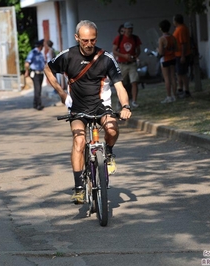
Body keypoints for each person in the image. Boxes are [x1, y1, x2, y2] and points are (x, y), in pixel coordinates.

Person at [44, 20, 132, 203]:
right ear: (77, 38)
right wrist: (61, 93)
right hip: (77, 108)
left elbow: (120, 87)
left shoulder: (106, 58)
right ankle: (78, 188)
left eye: (93, 40)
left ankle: (108, 153)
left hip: (102, 106)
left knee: (112, 129)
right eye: (85, 40)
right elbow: (48, 69)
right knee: (79, 140)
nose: (89, 44)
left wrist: (125, 107)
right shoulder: (68, 56)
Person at [112, 21, 142, 108]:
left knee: (134, 82)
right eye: (127, 29)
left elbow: (138, 49)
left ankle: (134, 101)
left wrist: (135, 56)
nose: (129, 30)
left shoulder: (135, 38)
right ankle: (120, 101)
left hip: (132, 63)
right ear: (124, 29)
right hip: (122, 64)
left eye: (130, 29)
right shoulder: (119, 38)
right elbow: (114, 51)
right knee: (121, 84)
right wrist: (124, 56)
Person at [158, 19, 178, 103]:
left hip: (165, 59)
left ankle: (169, 96)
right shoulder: (173, 37)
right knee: (173, 77)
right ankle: (175, 95)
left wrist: (158, 49)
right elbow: (177, 48)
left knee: (167, 78)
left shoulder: (162, 39)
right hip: (173, 58)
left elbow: (161, 52)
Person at [173, 14, 192, 98]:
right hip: (178, 54)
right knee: (179, 73)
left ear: (176, 21)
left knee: (183, 73)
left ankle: (186, 90)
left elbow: (183, 43)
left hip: (181, 54)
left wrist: (183, 56)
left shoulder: (181, 29)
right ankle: (180, 88)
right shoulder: (180, 29)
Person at [25, 39, 46, 110]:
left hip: (41, 73)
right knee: (37, 89)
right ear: (40, 46)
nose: (43, 47)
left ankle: (35, 103)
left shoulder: (40, 53)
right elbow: (27, 63)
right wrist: (27, 71)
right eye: (42, 46)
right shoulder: (33, 52)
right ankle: (38, 105)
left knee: (38, 89)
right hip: (35, 73)